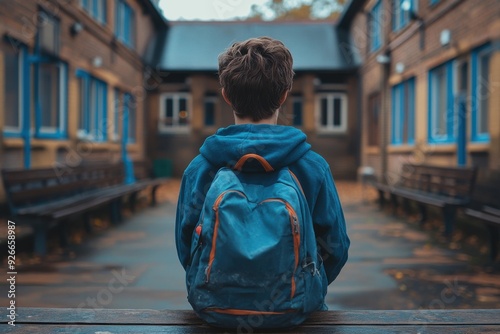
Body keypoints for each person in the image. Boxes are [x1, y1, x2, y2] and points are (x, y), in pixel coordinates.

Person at [175, 36, 349, 317]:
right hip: (295, 310)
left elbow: (186, 246)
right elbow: (336, 247)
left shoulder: (200, 168)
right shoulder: (313, 167)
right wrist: (300, 287)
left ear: (226, 96)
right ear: (283, 95)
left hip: (216, 310)